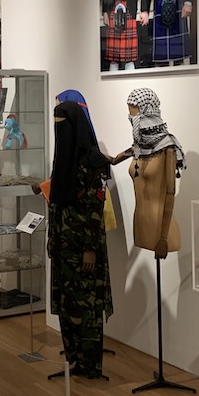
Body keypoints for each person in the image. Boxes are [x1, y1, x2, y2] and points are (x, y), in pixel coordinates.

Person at [45, 100, 113, 379]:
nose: (58, 129)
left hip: (85, 248)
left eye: (62, 123)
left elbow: (95, 210)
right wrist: (52, 238)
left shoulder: (93, 162)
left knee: (86, 305)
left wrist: (89, 249)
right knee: (66, 303)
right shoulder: (62, 160)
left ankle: (90, 364)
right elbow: (56, 203)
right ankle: (72, 358)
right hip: (62, 245)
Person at [109, 88, 185, 258]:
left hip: (162, 231)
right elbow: (115, 159)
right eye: (130, 115)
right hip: (140, 225)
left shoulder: (168, 149)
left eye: (135, 114)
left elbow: (170, 193)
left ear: (147, 112)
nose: (132, 119)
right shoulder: (139, 147)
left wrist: (164, 238)